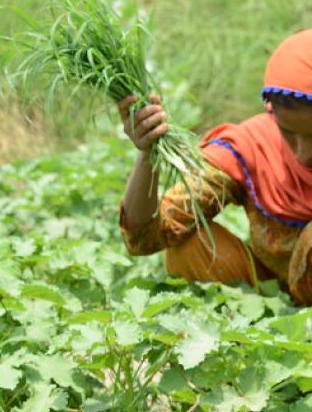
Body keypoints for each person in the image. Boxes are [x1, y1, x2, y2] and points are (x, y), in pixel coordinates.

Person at [120, 29, 312, 301]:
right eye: (288, 133)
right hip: (269, 307)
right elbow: (147, 235)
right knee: (188, 244)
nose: (303, 154)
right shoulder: (253, 148)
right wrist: (147, 153)